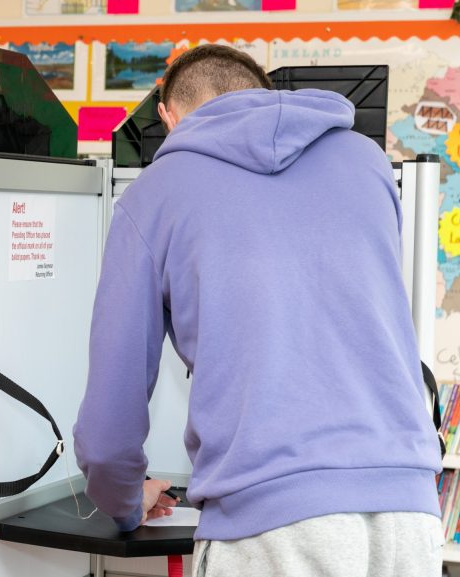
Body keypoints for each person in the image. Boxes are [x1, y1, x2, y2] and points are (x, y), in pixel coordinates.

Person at [73, 44, 443, 576]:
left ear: (168, 118)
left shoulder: (155, 193)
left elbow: (108, 430)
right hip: (408, 512)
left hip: (269, 521)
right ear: (267, 98)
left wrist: (126, 501)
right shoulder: (368, 161)